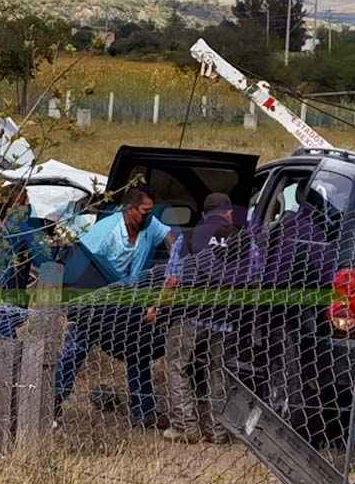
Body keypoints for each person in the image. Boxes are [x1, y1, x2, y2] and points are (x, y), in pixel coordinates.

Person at [53, 185, 177, 428]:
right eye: (144, 211)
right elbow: (80, 267)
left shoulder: (149, 224)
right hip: (99, 302)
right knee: (76, 349)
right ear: (129, 209)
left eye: (150, 211)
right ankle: (51, 402)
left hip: (129, 302)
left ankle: (144, 413)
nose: (148, 216)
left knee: (138, 349)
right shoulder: (105, 232)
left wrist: (176, 265)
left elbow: (170, 236)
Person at [159, 193, 240, 444]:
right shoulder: (243, 239)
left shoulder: (189, 237)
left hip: (190, 314)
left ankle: (185, 427)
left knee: (177, 366)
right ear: (228, 213)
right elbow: (254, 275)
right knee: (218, 371)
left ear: (204, 214)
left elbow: (173, 279)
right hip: (225, 318)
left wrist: (157, 307)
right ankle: (217, 430)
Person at [0, 184, 53, 339]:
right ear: (16, 205)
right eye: (27, 202)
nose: (29, 206)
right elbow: (44, 260)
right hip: (10, 293)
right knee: (5, 338)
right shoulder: (23, 228)